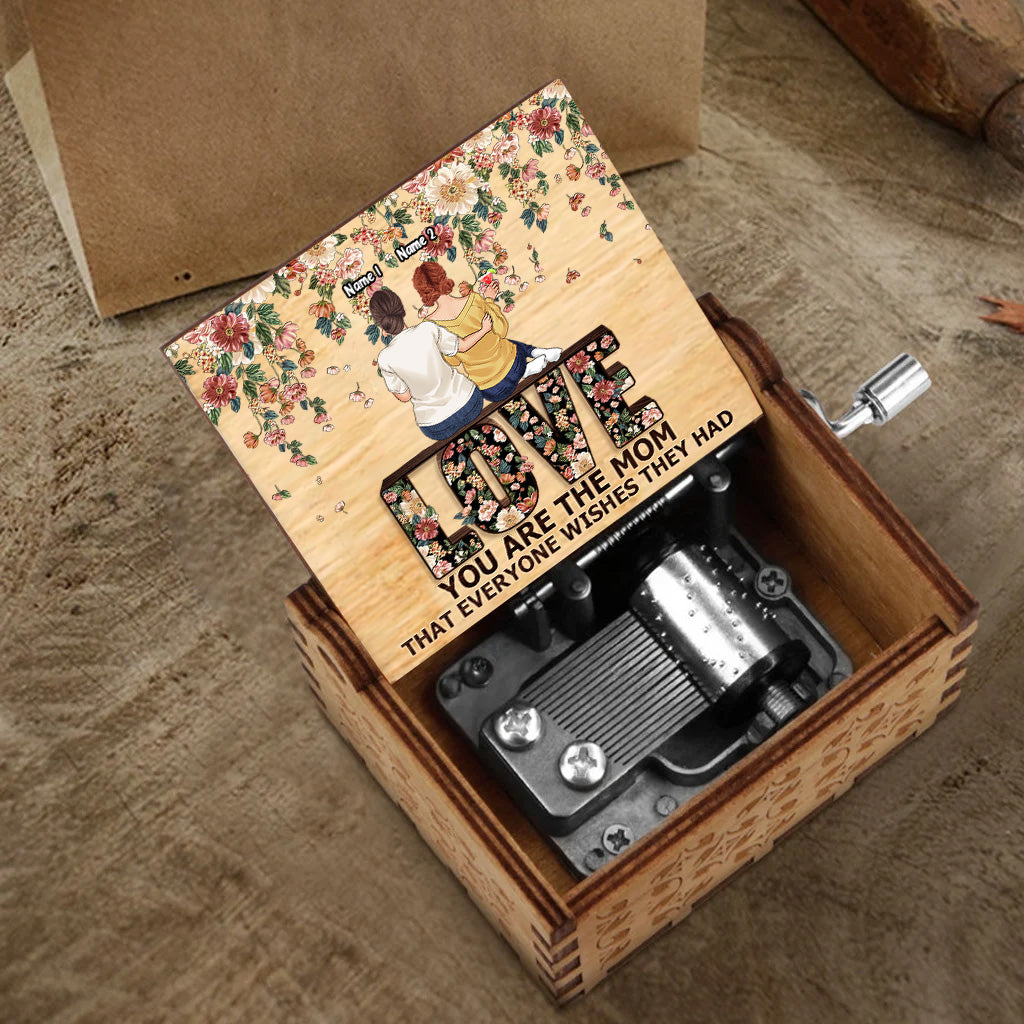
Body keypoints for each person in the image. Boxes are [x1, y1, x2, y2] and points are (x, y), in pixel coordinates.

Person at [412, 262, 561, 402]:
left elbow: (454, 361)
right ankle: (530, 363)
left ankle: (531, 363)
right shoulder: (473, 299)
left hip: (490, 390)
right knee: (503, 342)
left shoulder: (430, 326)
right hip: (514, 366)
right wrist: (489, 300)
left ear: (423, 292)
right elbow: (501, 330)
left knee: (492, 347)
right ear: (444, 278)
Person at [370, 288, 491, 441]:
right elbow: (463, 346)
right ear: (401, 310)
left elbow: (405, 397)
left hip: (436, 425)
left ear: (382, 325)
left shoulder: (385, 358)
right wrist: (484, 329)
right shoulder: (427, 329)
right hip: (469, 403)